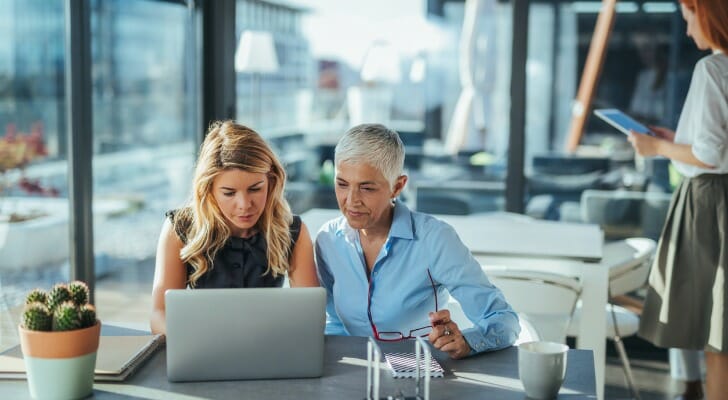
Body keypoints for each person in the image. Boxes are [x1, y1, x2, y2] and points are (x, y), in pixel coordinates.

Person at [314, 123, 519, 359]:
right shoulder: (328, 241)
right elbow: (335, 323)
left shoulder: (434, 239)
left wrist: (467, 342)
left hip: (423, 371)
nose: (351, 201)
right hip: (356, 371)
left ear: (397, 186)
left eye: (367, 188)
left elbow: (504, 320)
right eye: (342, 184)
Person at [628, 1, 728, 399]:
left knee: (718, 339)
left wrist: (655, 147)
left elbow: (709, 155)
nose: (687, 31)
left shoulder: (713, 68)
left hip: (711, 204)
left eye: (689, 19)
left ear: (707, 14)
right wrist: (677, 141)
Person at [151, 121, 319, 335]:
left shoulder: (292, 231)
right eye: (229, 193)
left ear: (271, 181)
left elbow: (310, 316)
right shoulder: (180, 228)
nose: (244, 205)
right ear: (208, 190)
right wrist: (190, 339)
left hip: (269, 345)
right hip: (202, 347)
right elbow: (159, 314)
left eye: (255, 189)